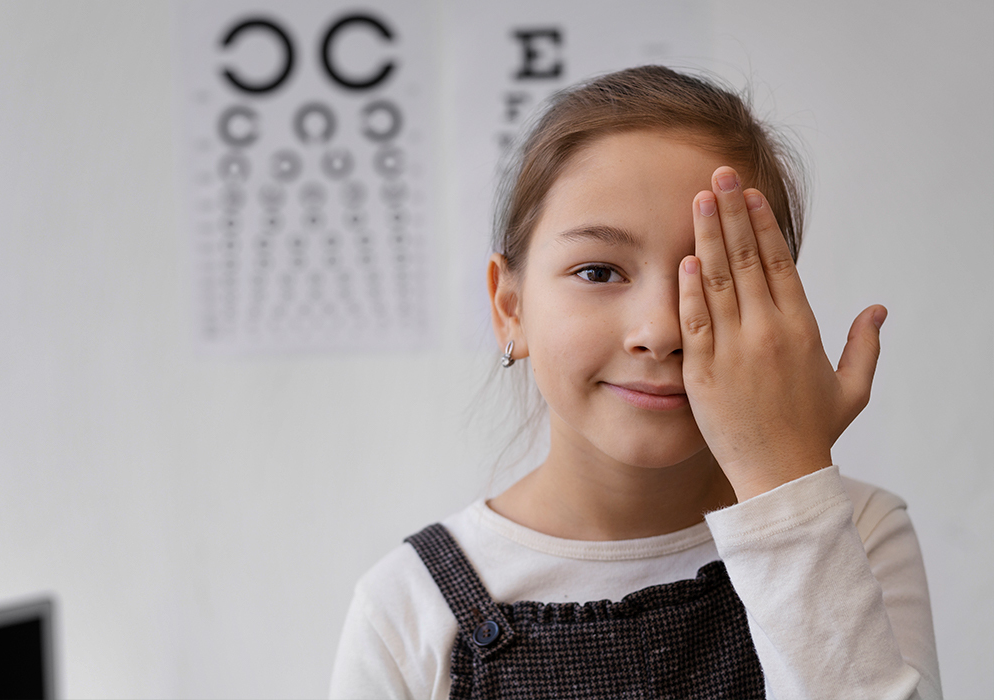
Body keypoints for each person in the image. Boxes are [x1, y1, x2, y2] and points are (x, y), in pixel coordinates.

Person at [329, 65, 941, 699]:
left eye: (709, 276)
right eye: (598, 272)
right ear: (510, 305)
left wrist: (785, 481)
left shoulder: (856, 531)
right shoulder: (406, 608)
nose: (660, 331)